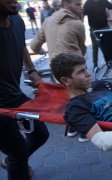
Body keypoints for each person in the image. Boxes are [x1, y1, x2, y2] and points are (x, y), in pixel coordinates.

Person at [0, 0, 49, 178]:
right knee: (17, 150)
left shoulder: (17, 21)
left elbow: (21, 47)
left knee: (40, 134)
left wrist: (32, 70)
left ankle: (13, 161)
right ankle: (16, 162)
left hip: (14, 94)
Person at [83, 0, 112, 69]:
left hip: (105, 26)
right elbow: (83, 14)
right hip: (94, 28)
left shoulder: (103, 1)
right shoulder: (88, 2)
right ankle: (95, 65)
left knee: (109, 44)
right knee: (95, 47)